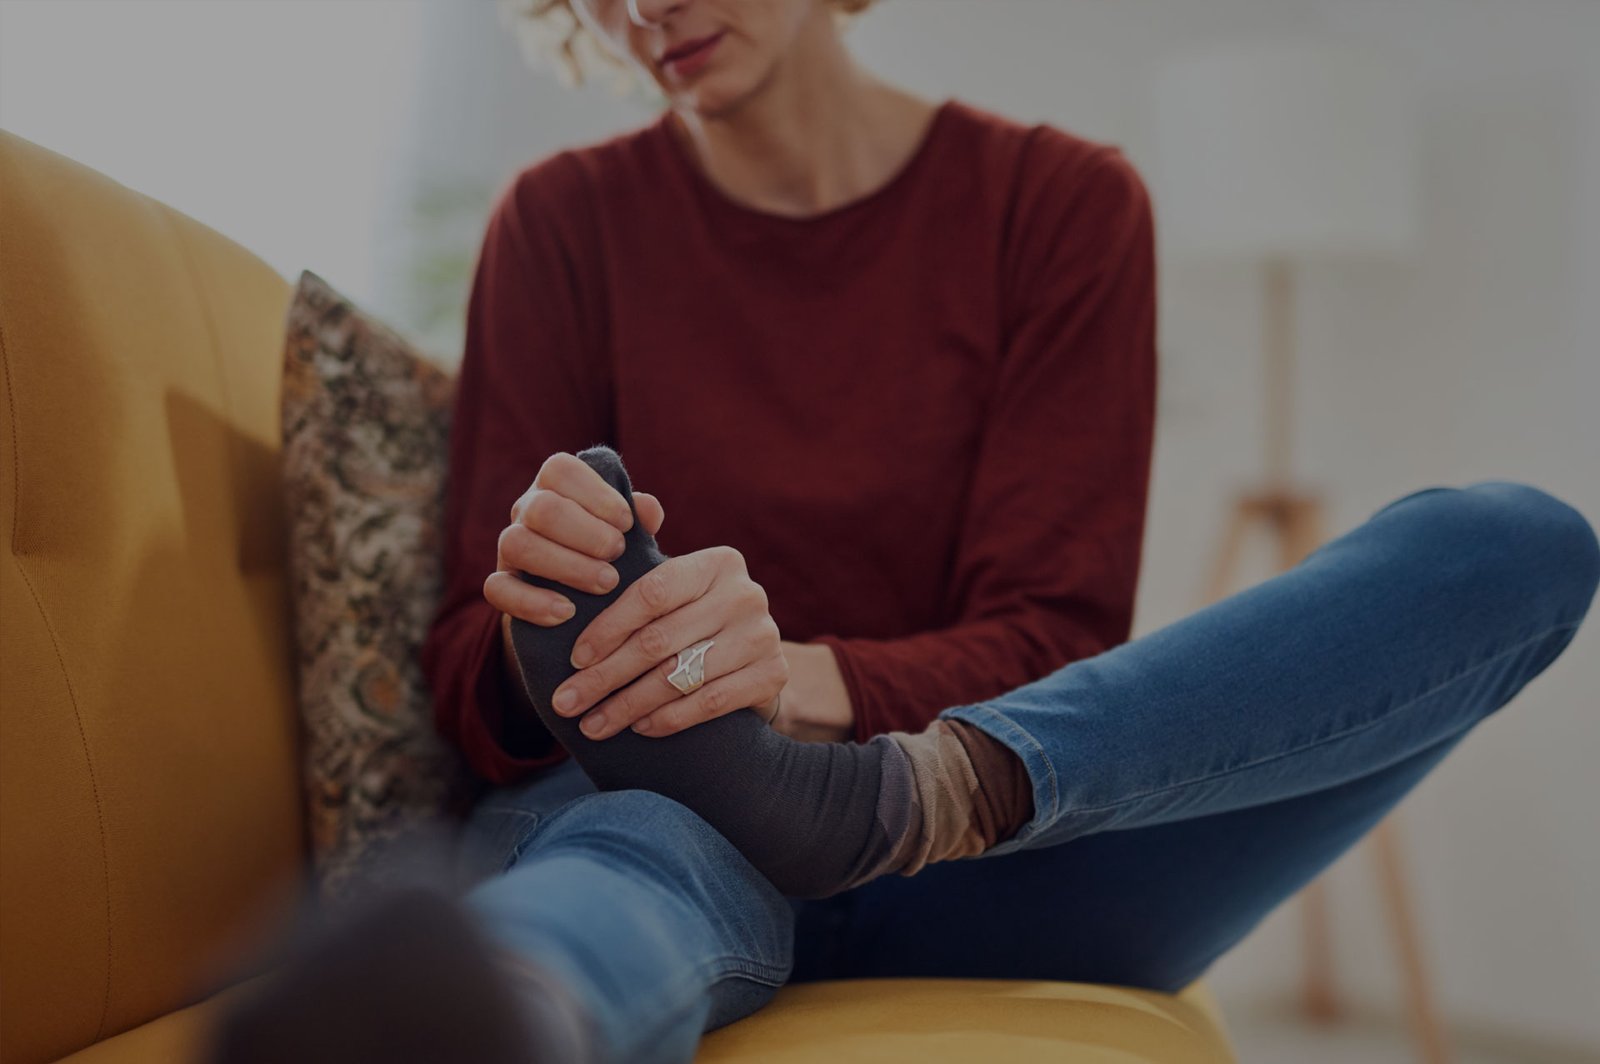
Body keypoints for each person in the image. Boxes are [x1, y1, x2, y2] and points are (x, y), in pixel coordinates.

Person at [206, 2, 1600, 1063]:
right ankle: (491, 1014)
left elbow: (1056, 634)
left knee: (1515, 545)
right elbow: (466, 673)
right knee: (622, 862)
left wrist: (786, 688)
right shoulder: (562, 226)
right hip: (663, 819)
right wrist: (559, 629)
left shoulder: (1060, 209)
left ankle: (862, 803)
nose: (644, 8)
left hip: (988, 831)